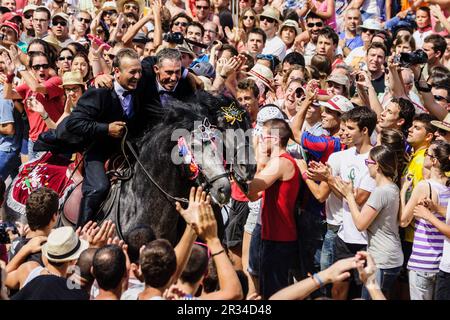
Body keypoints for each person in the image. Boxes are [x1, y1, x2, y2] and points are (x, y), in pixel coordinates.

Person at [57, 48, 144, 227]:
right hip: (97, 151)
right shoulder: (99, 92)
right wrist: (106, 129)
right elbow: (74, 123)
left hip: (127, 151)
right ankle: (81, 230)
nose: (137, 76)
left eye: (139, 71)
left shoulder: (138, 89)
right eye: (132, 72)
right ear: (117, 72)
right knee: (99, 188)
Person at [333, 145, 403, 299]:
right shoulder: (392, 187)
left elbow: (360, 224)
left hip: (382, 260)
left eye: (367, 162)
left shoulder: (380, 192)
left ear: (376, 165)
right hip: (391, 257)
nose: (366, 166)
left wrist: (349, 195)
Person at [241, 118, 300, 299]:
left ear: (274, 139)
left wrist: (255, 158)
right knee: (267, 290)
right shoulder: (274, 162)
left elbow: (251, 187)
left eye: (262, 135)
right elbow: (252, 196)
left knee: (275, 293)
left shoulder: (281, 162)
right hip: (270, 235)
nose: (259, 139)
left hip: (279, 238)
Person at [400, 140, 450, 300]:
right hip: (442, 263)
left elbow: (403, 221)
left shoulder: (424, 186)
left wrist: (403, 192)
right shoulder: (448, 186)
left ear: (434, 161)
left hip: (423, 261)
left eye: (427, 154)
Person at [11, 227, 90, 300]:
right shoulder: (73, 292)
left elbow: (5, 277)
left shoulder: (29, 269)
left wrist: (26, 249)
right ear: (73, 261)